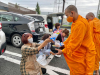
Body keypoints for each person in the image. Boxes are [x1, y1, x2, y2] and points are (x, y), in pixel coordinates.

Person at [55, 5, 96, 75]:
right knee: (74, 71)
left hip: (85, 53)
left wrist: (63, 51)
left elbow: (75, 43)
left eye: (67, 15)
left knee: (81, 72)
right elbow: (71, 37)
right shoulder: (76, 22)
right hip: (80, 51)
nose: (67, 18)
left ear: (72, 13)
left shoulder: (80, 24)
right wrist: (62, 44)